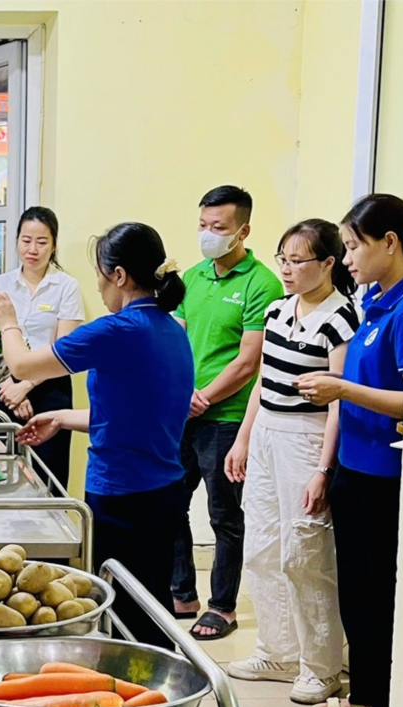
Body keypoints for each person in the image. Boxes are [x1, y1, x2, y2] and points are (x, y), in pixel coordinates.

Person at [0, 223, 193, 647]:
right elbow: (136, 412)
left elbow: (22, 366)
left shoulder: (117, 330)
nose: (97, 285)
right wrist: (63, 417)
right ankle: (156, 675)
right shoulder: (171, 328)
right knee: (151, 605)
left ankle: (134, 680)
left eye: (100, 273)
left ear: (119, 276)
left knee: (122, 610)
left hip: (122, 495)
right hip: (164, 491)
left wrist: (8, 323)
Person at [294, 194, 403, 707]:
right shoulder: (375, 303)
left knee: (380, 593)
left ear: (390, 243)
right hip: (354, 468)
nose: (346, 259)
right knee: (357, 594)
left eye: (352, 246)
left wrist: (340, 387)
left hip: (386, 476)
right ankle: (363, 690)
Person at [223, 220, 359, 704]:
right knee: (261, 546)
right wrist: (242, 439)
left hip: (308, 438)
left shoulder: (342, 317)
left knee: (305, 554)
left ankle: (321, 667)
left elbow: (339, 399)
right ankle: (277, 651)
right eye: (282, 258)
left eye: (298, 260)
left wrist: (324, 468)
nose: (286, 268)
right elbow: (263, 380)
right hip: (267, 431)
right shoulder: (278, 310)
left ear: (328, 263)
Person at [172, 186, 284, 640]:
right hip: (182, 413)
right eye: (203, 225)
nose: (208, 234)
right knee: (170, 503)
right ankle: (181, 594)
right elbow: (175, 339)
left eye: (218, 227)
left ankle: (223, 606)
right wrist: (182, 393)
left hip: (227, 418)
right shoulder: (191, 277)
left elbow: (248, 360)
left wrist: (203, 397)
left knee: (224, 516)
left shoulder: (262, 284)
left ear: (243, 231)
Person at [0, 207, 85, 489]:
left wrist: (25, 386)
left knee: (49, 475)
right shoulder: (1, 284)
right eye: (26, 240)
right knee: (4, 473)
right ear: (17, 240)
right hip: (4, 387)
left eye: (42, 242)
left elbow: (63, 349)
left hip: (51, 388)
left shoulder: (66, 286)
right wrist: (11, 389)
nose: (33, 249)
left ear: (53, 245)